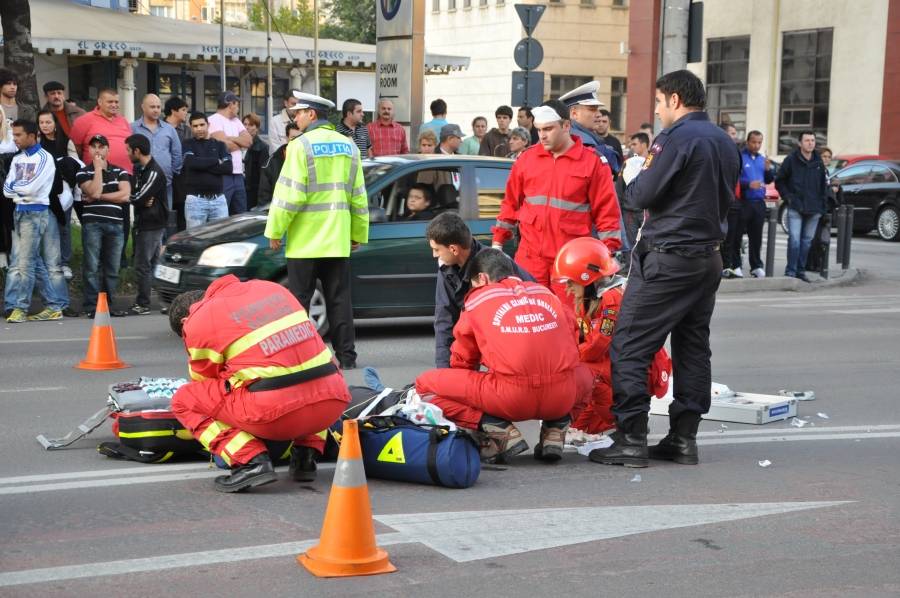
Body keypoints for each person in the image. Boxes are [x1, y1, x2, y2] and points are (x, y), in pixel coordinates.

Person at [588, 70, 740, 469]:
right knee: (692, 346)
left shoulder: (674, 139)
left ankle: (631, 438)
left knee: (629, 344)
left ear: (674, 100)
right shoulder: (725, 141)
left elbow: (642, 194)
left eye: (658, 102)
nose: (656, 110)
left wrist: (631, 175)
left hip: (668, 256)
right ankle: (684, 438)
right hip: (707, 257)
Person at [169, 275, 351, 493]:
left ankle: (250, 461)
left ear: (184, 322)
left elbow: (205, 380)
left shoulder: (199, 320)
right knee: (305, 371)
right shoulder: (271, 288)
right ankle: (305, 456)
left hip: (278, 415)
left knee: (185, 399)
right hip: (332, 401)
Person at [415, 249, 592, 464]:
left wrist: (471, 399)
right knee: (588, 373)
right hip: (561, 397)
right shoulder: (547, 294)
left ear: (482, 278)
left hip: (509, 397)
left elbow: (463, 361)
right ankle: (556, 427)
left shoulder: (477, 301)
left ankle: (497, 428)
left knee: (425, 385)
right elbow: (573, 341)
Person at [264, 91, 368, 370]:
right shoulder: (349, 146)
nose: (295, 117)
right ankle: (347, 358)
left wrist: (275, 230)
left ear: (311, 114)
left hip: (305, 243)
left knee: (299, 304)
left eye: (298, 113)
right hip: (337, 240)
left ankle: (300, 360)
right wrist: (358, 233)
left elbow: (289, 195)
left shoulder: (301, 146)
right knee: (339, 300)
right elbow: (358, 196)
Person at [491, 103, 621, 304]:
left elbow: (607, 214)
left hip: (571, 261)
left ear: (566, 126)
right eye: (539, 129)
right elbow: (510, 203)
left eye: (549, 129)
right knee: (531, 321)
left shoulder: (593, 162)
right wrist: (497, 243)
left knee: (569, 324)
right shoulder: (526, 159)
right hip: (530, 258)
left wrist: (607, 256)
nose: (542, 135)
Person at [552, 237, 671, 439]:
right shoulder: (586, 300)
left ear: (587, 278)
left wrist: (565, 362)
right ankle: (619, 421)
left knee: (582, 372)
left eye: (570, 282)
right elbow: (582, 340)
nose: (567, 288)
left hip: (639, 373)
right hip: (614, 367)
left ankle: (629, 424)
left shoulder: (613, 299)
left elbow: (597, 345)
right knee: (580, 427)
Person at [426, 212, 534, 369]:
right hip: (482, 342)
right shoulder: (447, 268)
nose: (434, 255)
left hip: (518, 350)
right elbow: (444, 320)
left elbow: (510, 325)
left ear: (453, 249)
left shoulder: (494, 265)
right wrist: (444, 371)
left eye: (437, 249)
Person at [2, 119, 67, 323]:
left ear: (32, 136)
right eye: (14, 135)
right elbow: (6, 189)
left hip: (36, 214)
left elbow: (30, 189)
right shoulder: (17, 159)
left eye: (19, 135)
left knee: (26, 263)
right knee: (34, 262)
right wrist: (22, 188)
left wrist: (18, 188)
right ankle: (54, 306)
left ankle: (21, 308)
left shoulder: (45, 158)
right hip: (19, 212)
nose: (15, 139)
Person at [75, 134, 132, 318]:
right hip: (93, 224)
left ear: (108, 149)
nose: (97, 150)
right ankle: (92, 306)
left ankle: (109, 305)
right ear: (89, 150)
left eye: (101, 146)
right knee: (91, 266)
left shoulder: (120, 171)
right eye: (94, 147)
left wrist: (96, 197)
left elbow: (124, 196)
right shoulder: (83, 172)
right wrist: (98, 170)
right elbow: (94, 189)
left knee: (112, 268)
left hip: (116, 225)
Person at [775, 131, 827, 282]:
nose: (810, 143)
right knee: (795, 240)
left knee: (806, 242)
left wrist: (822, 205)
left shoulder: (818, 161)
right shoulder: (791, 160)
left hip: (814, 208)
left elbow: (823, 185)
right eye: (807, 140)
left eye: (812, 140)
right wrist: (788, 198)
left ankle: (800, 270)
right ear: (800, 143)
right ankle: (790, 271)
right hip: (796, 207)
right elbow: (780, 180)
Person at [125, 134, 168, 316]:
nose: (127, 154)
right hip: (147, 220)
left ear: (137, 151)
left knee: (143, 264)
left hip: (152, 223)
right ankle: (165, 301)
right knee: (154, 263)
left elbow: (137, 196)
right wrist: (139, 198)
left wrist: (134, 197)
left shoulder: (153, 171)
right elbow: (139, 195)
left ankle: (143, 303)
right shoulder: (140, 169)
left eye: (128, 150)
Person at [37, 110, 79, 281]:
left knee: (64, 227)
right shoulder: (37, 143)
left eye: (48, 122)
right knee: (46, 228)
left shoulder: (65, 142)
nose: (45, 126)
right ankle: (49, 263)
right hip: (42, 192)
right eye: (42, 123)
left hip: (63, 192)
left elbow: (76, 165)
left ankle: (64, 262)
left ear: (55, 123)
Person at [181, 112, 232, 230]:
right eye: (195, 126)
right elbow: (191, 163)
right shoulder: (187, 144)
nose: (199, 129)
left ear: (208, 125)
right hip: (195, 200)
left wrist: (201, 165)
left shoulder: (220, 145)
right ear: (191, 127)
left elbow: (228, 168)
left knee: (221, 239)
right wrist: (215, 160)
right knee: (195, 240)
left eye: (201, 125)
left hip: (218, 200)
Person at [132, 93, 182, 210]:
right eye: (152, 107)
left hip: (166, 183)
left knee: (166, 217)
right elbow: (128, 153)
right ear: (143, 107)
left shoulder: (169, 129)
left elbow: (177, 154)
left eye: (158, 107)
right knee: (143, 218)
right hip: (141, 183)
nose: (156, 110)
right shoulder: (133, 128)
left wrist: (172, 172)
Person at [560, 81, 620, 175]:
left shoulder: (585, 138)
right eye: (592, 109)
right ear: (574, 113)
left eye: (597, 109)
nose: (599, 114)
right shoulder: (580, 142)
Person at [69, 88, 134, 174]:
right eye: (110, 102)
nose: (114, 105)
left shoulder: (123, 120)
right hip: (97, 176)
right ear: (100, 102)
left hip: (126, 175)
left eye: (116, 102)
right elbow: (74, 148)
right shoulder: (84, 120)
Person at [208, 91, 252, 215]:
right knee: (222, 213)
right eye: (237, 104)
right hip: (223, 174)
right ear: (231, 104)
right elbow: (224, 147)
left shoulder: (236, 121)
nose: (238, 107)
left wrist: (230, 137)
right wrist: (239, 143)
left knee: (241, 213)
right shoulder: (213, 120)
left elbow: (248, 142)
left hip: (238, 174)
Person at [738, 130, 774, 279]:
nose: (757, 145)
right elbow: (734, 179)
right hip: (743, 202)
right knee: (736, 236)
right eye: (754, 142)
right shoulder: (740, 157)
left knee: (756, 237)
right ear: (748, 142)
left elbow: (769, 179)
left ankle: (756, 266)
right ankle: (736, 265)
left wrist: (768, 169)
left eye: (759, 142)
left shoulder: (762, 159)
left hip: (759, 203)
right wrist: (747, 185)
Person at [258, 122, 301, 207]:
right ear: (286, 138)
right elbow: (264, 195)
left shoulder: (310, 159)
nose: (296, 141)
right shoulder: (271, 163)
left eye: (300, 137)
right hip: (278, 210)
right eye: (293, 138)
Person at [619, 132, 650, 249]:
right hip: (630, 211)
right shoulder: (627, 163)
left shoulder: (654, 162)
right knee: (631, 248)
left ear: (644, 145)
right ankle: (633, 268)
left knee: (647, 246)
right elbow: (620, 188)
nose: (632, 147)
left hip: (647, 211)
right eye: (631, 144)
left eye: (634, 144)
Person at [241, 113, 269, 210]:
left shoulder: (262, 147)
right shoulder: (236, 143)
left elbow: (263, 174)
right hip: (238, 186)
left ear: (257, 128)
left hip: (252, 191)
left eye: (251, 125)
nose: (247, 127)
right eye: (245, 124)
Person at [268, 88, 300, 154]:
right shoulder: (275, 122)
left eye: (298, 104)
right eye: (293, 104)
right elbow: (275, 150)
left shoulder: (306, 121)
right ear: (286, 103)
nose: (296, 107)